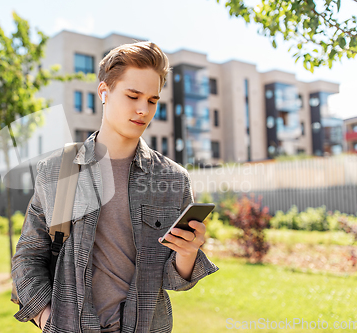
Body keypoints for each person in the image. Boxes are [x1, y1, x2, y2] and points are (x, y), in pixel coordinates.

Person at [11, 41, 219, 333]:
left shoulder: (173, 179)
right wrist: (47, 319)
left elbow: (174, 280)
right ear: (104, 92)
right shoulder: (59, 171)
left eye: (152, 100)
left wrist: (188, 253)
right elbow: (28, 256)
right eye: (133, 96)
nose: (143, 110)